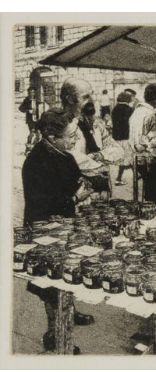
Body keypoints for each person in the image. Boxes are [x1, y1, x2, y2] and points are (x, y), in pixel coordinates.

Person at [22, 109, 95, 354]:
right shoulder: (36, 161)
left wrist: (86, 184)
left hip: (64, 225)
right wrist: (75, 197)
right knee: (51, 284)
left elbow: (73, 177)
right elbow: (44, 203)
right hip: (45, 230)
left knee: (69, 273)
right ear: (51, 137)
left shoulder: (62, 153)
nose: (75, 140)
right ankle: (55, 333)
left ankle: (69, 314)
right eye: (70, 136)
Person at [129, 83, 156, 205]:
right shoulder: (146, 113)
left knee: (153, 192)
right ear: (155, 97)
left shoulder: (142, 111)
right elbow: (141, 141)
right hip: (149, 160)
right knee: (155, 193)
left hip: (146, 158)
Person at [112, 92, 134, 185]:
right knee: (130, 157)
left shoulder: (114, 109)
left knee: (122, 158)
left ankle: (119, 178)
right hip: (126, 136)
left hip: (116, 136)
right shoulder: (129, 109)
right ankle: (139, 176)